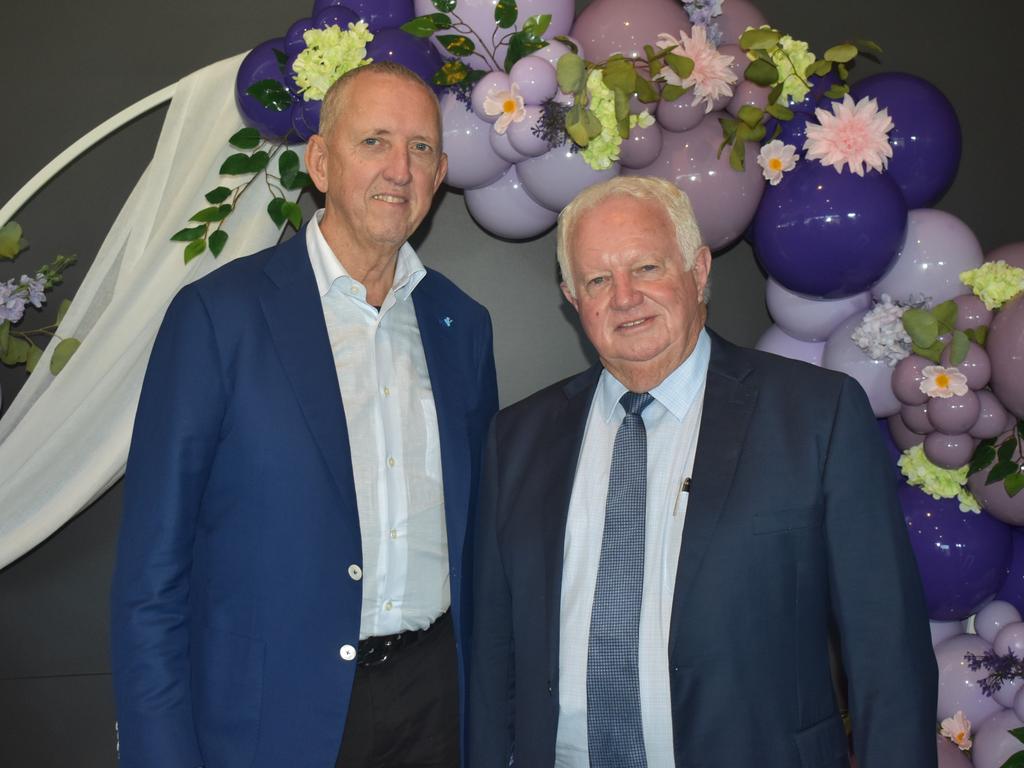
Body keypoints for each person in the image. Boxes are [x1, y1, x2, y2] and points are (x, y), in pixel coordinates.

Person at [468, 176, 936, 768]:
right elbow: (492, 651)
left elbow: (886, 651)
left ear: (698, 268)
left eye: (646, 267)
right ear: (571, 296)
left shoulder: (817, 416)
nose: (624, 297)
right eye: (597, 280)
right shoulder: (516, 440)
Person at [111, 62, 497, 768]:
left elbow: (479, 543)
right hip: (272, 721)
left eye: (419, 148)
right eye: (374, 140)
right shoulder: (218, 317)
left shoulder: (461, 326)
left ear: (440, 174)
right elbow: (150, 579)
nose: (399, 169)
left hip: (436, 706)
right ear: (320, 161)